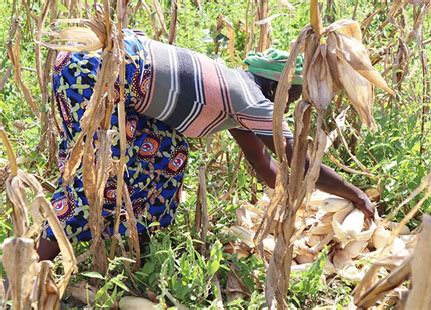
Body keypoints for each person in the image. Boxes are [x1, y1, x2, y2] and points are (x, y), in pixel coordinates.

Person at [39, 29, 373, 260]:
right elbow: (295, 159)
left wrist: (298, 201)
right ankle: (33, 264)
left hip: (88, 62)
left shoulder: (236, 94)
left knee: (168, 152)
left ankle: (140, 243)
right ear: (278, 88)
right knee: (100, 172)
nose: (292, 105)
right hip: (96, 70)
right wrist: (355, 195)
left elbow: (265, 167)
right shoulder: (252, 101)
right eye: (294, 95)